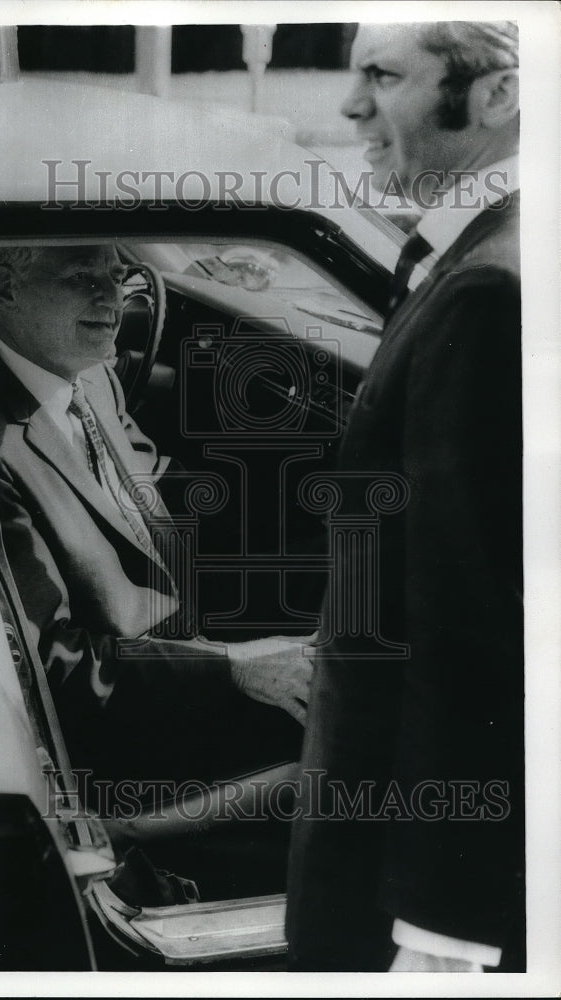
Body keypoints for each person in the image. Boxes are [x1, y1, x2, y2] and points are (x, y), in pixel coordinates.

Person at [285, 21, 523, 972]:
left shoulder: (489, 291)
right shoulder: (483, 260)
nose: (350, 107)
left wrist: (443, 932)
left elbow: (476, 628)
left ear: (498, 96)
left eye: (382, 76)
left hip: (410, 875)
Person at [0, 243, 313, 790]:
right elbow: (52, 664)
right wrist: (234, 666)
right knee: (367, 732)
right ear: (8, 289)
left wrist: (329, 511)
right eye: (83, 276)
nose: (112, 298)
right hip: (124, 727)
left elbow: (159, 488)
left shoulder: (90, 380)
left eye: (117, 275)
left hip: (184, 651)